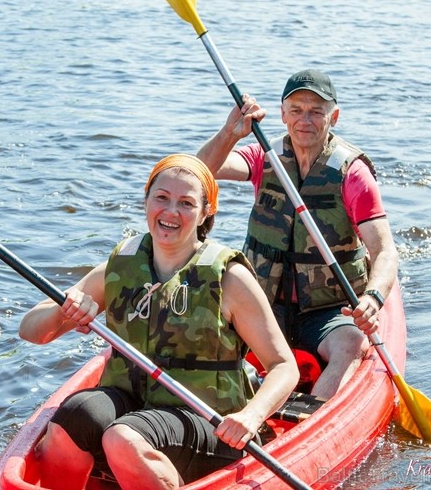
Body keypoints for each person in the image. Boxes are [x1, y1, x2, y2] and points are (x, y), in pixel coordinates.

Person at [19, 154, 298, 490]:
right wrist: (65, 310)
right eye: (162, 198)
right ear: (146, 200)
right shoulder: (120, 267)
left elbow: (284, 366)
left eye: (186, 203)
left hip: (208, 422)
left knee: (123, 437)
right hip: (134, 406)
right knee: (72, 417)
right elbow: (31, 330)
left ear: (206, 212)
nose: (171, 212)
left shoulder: (230, 279)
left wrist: (251, 417)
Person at [196, 69, 399, 400]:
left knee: (351, 344)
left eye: (316, 111)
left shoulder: (353, 174)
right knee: (204, 325)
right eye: (296, 110)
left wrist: (373, 298)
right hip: (265, 302)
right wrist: (231, 133)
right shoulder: (265, 156)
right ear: (282, 114)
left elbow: (385, 251)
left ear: (333, 116)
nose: (305, 120)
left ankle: (312, 420)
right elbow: (198, 172)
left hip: (327, 309)